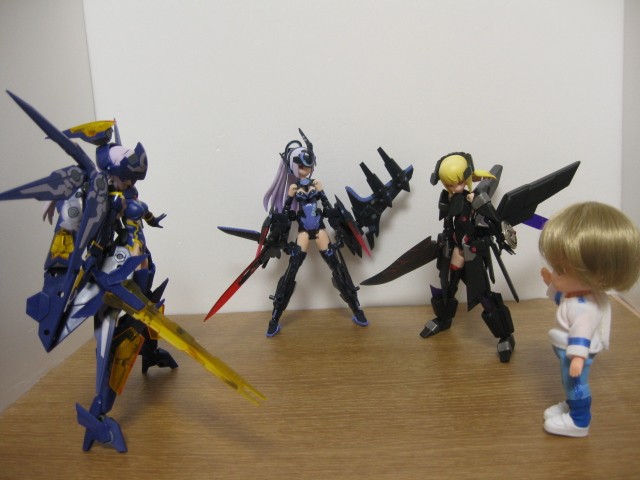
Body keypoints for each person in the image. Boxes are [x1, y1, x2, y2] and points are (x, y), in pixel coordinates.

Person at [539, 201, 640, 437]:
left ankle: (579, 420)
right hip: (567, 350)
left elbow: (581, 334)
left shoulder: (586, 309)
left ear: (597, 276)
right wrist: (552, 281)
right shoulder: (576, 296)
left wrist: (578, 358)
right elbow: (562, 300)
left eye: (561, 270)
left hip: (575, 352)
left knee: (576, 384)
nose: (555, 274)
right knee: (569, 383)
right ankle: (571, 405)